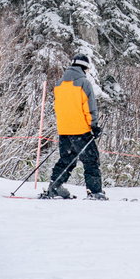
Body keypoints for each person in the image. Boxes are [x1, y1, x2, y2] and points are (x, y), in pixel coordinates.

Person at [43, 53, 106, 201]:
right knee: (91, 160)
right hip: (81, 130)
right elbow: (89, 108)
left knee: (67, 159)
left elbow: (58, 107)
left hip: (64, 130)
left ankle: (55, 187)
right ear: (85, 68)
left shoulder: (59, 84)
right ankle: (95, 191)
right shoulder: (84, 83)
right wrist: (94, 125)